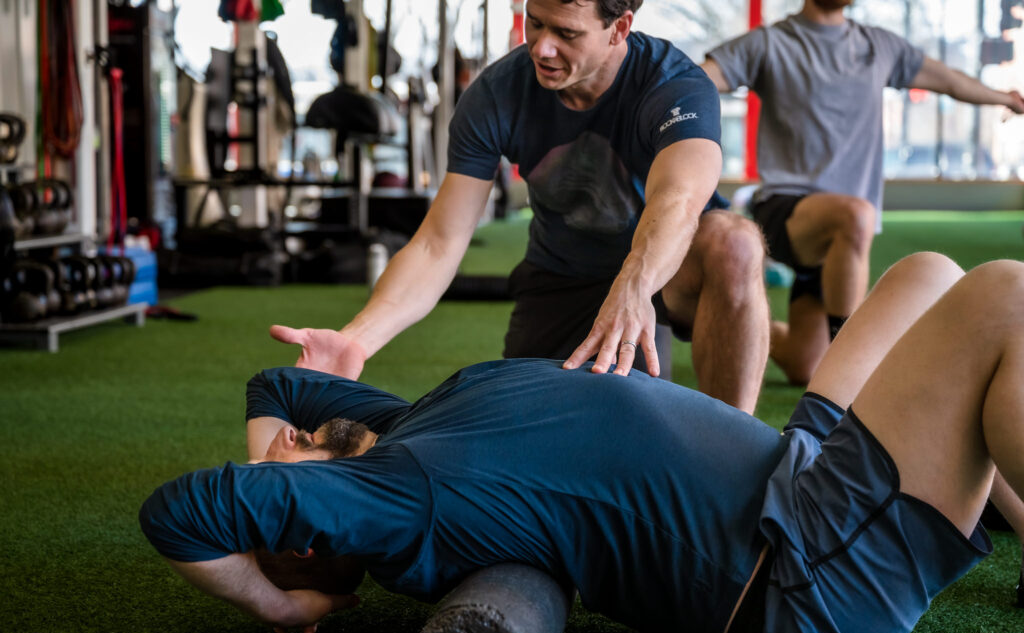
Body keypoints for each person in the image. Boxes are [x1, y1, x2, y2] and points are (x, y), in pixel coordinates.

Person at [142, 251, 1024, 633]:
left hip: (797, 468)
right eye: (272, 477)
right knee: (1003, 296)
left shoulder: (400, 430)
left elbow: (274, 383)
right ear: (313, 531)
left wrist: (278, 458)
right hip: (809, 565)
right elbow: (180, 512)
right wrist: (285, 600)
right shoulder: (398, 496)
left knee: (925, 272)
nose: (273, 447)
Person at [270, 0, 769, 414]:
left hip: (663, 269)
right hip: (561, 277)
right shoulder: (496, 94)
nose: (542, 47)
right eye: (535, 22)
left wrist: (635, 284)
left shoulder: (674, 84)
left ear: (619, 28)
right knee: (540, 442)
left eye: (566, 33)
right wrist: (358, 339)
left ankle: (734, 461)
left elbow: (679, 198)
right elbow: (437, 244)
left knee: (735, 241)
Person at [701, 0, 1024, 385]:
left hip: (841, 244)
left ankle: (745, 320)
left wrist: (1006, 99)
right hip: (788, 210)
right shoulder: (768, 43)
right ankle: (853, 374)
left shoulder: (881, 47)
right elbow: (697, 80)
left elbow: (952, 81)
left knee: (806, 366)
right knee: (856, 215)